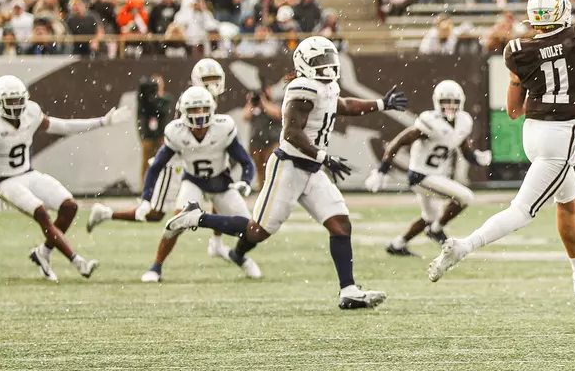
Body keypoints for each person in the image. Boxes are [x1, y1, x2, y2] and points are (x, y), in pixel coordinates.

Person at [427, 0, 575, 299]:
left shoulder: (518, 52)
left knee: (567, 203)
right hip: (563, 133)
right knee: (522, 211)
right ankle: (463, 246)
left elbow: (514, 110)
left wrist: (537, 79)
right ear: (564, 12)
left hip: (534, 134)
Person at [161, 36, 408, 309]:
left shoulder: (326, 87)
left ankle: (348, 290)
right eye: (320, 60)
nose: (327, 65)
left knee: (340, 224)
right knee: (258, 230)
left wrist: (381, 104)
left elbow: (344, 105)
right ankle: (198, 217)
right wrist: (325, 157)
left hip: (311, 169)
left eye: (328, 58)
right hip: (289, 166)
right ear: (305, 63)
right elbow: (291, 134)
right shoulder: (302, 88)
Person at [114, 86, 257, 282]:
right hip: (194, 182)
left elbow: (246, 161)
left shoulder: (223, 127)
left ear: (212, 108)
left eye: (203, 109)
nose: (199, 115)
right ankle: (156, 267)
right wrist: (146, 199)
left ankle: (237, 254)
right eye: (194, 109)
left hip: (221, 183)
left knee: (251, 231)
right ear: (183, 112)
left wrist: (245, 182)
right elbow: (156, 167)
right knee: (174, 225)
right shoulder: (176, 131)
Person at [0, 76, 130, 282]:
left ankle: (43, 252)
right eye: (11, 101)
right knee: (41, 213)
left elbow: (63, 126)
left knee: (69, 206)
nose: (16, 106)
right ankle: (78, 261)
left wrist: (102, 122)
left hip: (27, 173)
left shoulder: (31, 112)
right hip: (4, 181)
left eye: (18, 100)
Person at [366, 80, 488, 256]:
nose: (450, 106)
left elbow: (464, 150)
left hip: (435, 176)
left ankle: (398, 244)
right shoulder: (429, 121)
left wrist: (477, 158)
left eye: (454, 102)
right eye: (446, 101)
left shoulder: (463, 121)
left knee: (429, 217)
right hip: (420, 176)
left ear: (461, 102)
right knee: (465, 197)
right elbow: (399, 141)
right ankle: (436, 230)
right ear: (437, 102)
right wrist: (382, 169)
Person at [245, 86, 283, 190]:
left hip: (272, 142)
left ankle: (274, 190)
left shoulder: (276, 102)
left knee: (272, 168)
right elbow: (245, 116)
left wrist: (264, 101)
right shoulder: (254, 106)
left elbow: (276, 114)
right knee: (260, 170)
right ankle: (263, 191)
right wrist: (250, 102)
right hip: (257, 143)